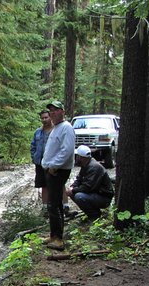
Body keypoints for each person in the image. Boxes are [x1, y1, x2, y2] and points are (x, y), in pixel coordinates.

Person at [41, 100, 75, 251]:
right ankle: (54, 235)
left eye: (55, 110)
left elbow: (66, 151)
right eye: (51, 111)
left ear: (62, 111)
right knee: (55, 204)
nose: (52, 113)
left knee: (53, 204)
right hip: (51, 169)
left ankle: (59, 239)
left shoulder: (66, 128)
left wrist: (53, 166)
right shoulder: (56, 128)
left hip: (58, 170)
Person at [30, 110, 70, 215]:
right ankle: (45, 207)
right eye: (42, 118)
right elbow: (33, 145)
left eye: (46, 117)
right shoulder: (38, 132)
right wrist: (34, 157)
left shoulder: (56, 130)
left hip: (54, 162)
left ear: (50, 117)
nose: (44, 120)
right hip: (40, 163)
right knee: (44, 185)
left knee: (59, 184)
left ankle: (65, 205)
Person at [65, 145, 114, 220]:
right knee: (74, 193)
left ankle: (94, 216)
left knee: (79, 196)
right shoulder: (86, 165)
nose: (76, 158)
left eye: (77, 156)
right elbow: (79, 179)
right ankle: (92, 212)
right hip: (95, 194)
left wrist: (73, 190)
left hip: (104, 197)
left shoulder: (94, 167)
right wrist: (73, 186)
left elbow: (87, 187)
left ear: (81, 157)